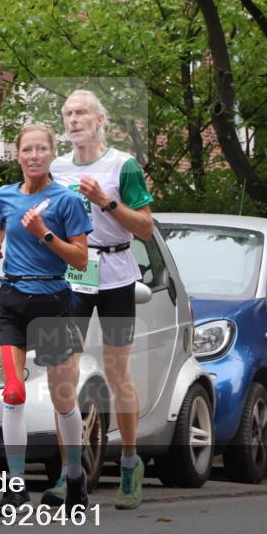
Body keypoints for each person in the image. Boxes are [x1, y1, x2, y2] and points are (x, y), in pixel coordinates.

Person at [46, 89, 155, 510]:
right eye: (68, 113)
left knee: (116, 372)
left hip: (115, 276)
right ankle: (69, 474)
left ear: (100, 119)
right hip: (72, 275)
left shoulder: (122, 166)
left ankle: (129, 462)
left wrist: (105, 202)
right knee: (62, 376)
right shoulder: (55, 168)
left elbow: (144, 228)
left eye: (82, 113)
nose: (74, 120)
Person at [0, 124, 93, 510]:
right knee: (13, 393)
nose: (33, 156)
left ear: (51, 154)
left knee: (64, 399)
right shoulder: (6, 195)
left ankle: (75, 477)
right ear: (18, 156)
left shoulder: (66, 201)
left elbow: (80, 258)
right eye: (27, 150)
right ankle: (15, 486)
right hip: (13, 298)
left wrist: (44, 233)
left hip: (52, 300)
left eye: (41, 149)